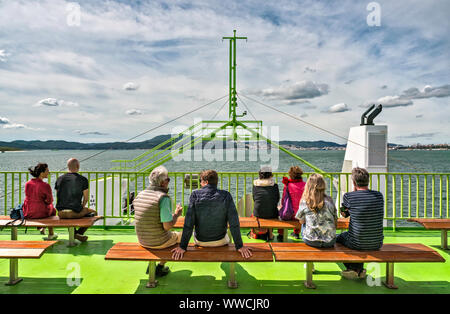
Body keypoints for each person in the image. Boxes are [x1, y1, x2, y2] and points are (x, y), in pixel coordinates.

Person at [171, 170, 253, 260]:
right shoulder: (226, 195)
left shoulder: (195, 195)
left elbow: (189, 224)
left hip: (201, 241)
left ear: (205, 182)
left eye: (200, 181)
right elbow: (234, 223)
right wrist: (239, 246)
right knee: (228, 233)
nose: (200, 184)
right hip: (221, 241)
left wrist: (183, 247)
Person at [133, 165, 183, 277]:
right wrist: (176, 214)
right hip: (158, 242)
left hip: (142, 240)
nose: (169, 181)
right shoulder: (162, 198)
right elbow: (167, 226)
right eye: (168, 179)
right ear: (163, 182)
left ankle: (152, 264)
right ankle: (160, 266)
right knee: (183, 235)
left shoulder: (140, 195)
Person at [337, 167, 384, 280]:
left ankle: (352, 267)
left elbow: (344, 215)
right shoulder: (379, 195)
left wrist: (344, 208)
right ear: (368, 181)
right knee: (359, 237)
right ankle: (359, 269)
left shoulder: (349, 196)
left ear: (354, 182)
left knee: (337, 239)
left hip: (357, 242)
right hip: (377, 242)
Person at [54, 158, 96, 242]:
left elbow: (58, 195)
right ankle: (78, 233)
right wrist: (82, 208)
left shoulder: (59, 179)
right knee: (94, 213)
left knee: (71, 215)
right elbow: (86, 198)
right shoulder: (83, 179)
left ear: (68, 166)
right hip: (74, 213)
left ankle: (75, 234)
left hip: (60, 213)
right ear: (78, 166)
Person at [296, 173, 337, 248]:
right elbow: (335, 219)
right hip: (329, 241)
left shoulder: (305, 201)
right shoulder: (330, 200)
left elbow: (301, 221)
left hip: (311, 240)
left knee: (303, 223)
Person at [22, 163, 57, 240]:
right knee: (52, 209)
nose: (49, 172)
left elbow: (28, 197)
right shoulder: (45, 185)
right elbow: (49, 200)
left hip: (29, 212)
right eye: (47, 171)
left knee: (41, 208)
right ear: (42, 173)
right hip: (41, 213)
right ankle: (51, 233)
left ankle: (42, 227)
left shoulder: (28, 183)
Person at [251, 166, 280, 240]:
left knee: (258, 210)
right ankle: (270, 233)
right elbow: (277, 199)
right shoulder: (274, 185)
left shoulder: (255, 185)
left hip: (258, 213)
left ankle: (258, 232)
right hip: (272, 213)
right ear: (270, 175)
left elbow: (255, 198)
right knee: (271, 209)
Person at [278, 166, 306, 241]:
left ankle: (281, 234)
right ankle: (296, 233)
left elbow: (283, 200)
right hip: (303, 215)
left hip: (291, 214)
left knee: (281, 210)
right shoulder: (306, 185)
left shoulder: (288, 185)